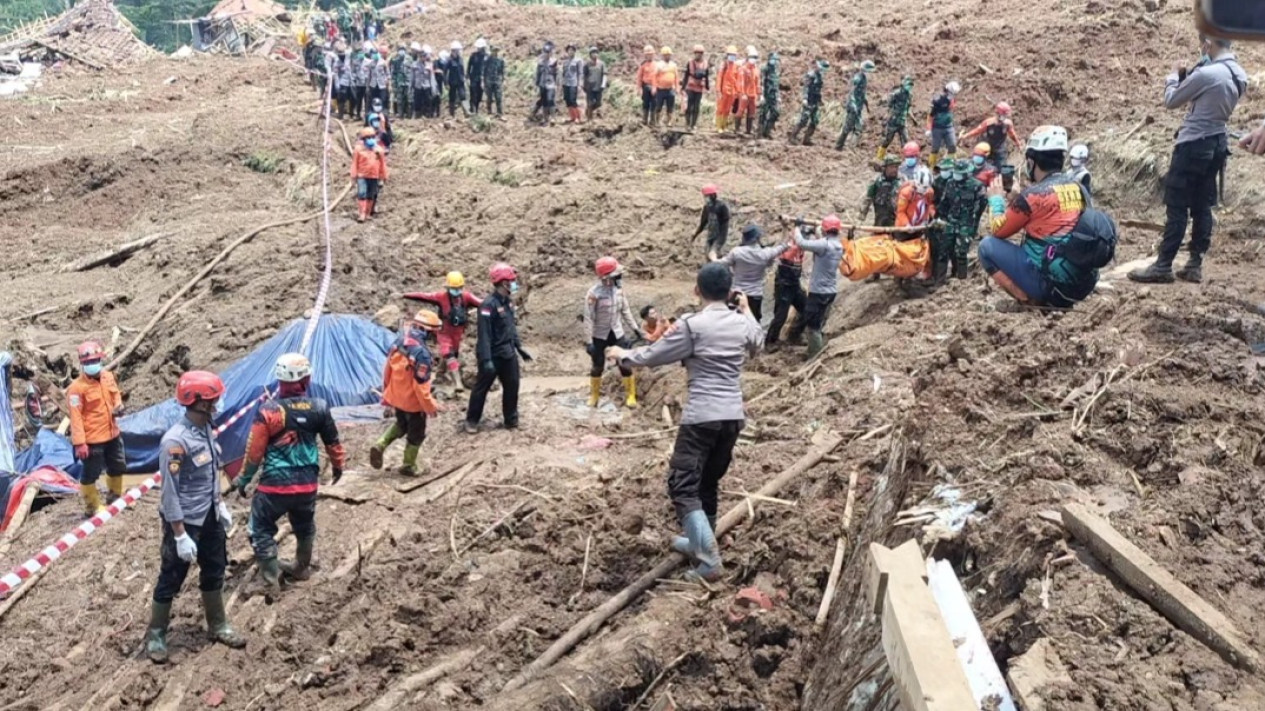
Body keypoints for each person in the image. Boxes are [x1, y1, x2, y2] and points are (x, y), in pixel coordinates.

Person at [605, 263, 763, 582]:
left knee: (682, 484)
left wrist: (623, 355)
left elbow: (653, 355)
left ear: (696, 291)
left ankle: (708, 561)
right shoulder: (741, 322)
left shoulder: (693, 325)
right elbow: (759, 342)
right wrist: (746, 310)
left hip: (702, 417)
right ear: (731, 291)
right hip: (733, 417)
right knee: (707, 481)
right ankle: (700, 541)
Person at [145, 370, 245, 664]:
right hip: (186, 521)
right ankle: (157, 634)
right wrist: (178, 534)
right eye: (213, 399)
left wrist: (220, 504)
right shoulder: (174, 442)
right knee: (171, 577)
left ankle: (218, 624)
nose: (218, 403)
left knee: (215, 568)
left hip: (210, 515)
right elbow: (170, 493)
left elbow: (210, 472)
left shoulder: (206, 429)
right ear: (199, 403)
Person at [1130, 37, 1245, 284]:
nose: (1203, 47)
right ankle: (1194, 264)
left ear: (1211, 42)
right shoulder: (1238, 74)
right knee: (1203, 205)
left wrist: (1173, 76)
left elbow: (1172, 101)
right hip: (1217, 142)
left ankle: (1162, 266)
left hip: (1193, 144)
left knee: (1177, 205)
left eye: (1205, 42)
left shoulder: (1208, 73)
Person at [233, 354, 345, 589]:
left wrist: (243, 479)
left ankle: (271, 581)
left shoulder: (270, 411)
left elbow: (254, 452)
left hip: (275, 484)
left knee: (260, 528)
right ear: (306, 380)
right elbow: (333, 443)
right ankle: (301, 567)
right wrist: (337, 466)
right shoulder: (320, 407)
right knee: (304, 525)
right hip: (307, 483)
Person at [978, 125, 1098, 309]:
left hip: (1050, 286)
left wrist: (996, 200)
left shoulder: (1034, 196)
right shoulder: (1079, 187)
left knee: (986, 247)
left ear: (1032, 162)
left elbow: (997, 230)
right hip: (1083, 284)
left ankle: (1031, 302)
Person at [372, 311, 444, 475]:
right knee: (416, 434)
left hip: (397, 396)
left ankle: (381, 443)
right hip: (414, 403)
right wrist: (430, 407)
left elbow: (387, 370)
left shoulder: (399, 342)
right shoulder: (422, 354)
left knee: (401, 424)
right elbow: (421, 386)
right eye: (433, 333)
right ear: (426, 330)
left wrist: (387, 395)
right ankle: (408, 465)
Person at [465, 263, 532, 433]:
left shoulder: (508, 303)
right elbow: (484, 335)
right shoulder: (488, 306)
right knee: (481, 388)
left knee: (512, 386)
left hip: (508, 353)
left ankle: (511, 419)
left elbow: (510, 328)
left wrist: (519, 347)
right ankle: (472, 421)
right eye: (512, 280)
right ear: (504, 283)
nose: (515, 283)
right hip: (492, 355)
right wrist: (486, 359)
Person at [67, 340, 125, 515]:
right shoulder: (76, 389)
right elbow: (75, 417)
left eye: (95, 361)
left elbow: (116, 395)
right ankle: (92, 507)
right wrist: (80, 443)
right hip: (93, 440)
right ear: (82, 364)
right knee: (90, 473)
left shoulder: (108, 376)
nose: (92, 365)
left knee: (118, 466)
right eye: (88, 363)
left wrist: (119, 406)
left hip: (112, 433)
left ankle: (115, 497)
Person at [403, 272, 483, 391]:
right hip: (444, 331)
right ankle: (458, 384)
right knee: (448, 353)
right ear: (448, 288)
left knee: (453, 354)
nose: (456, 291)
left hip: (458, 332)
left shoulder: (466, 297)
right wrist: (405, 295)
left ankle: (440, 375)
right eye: (454, 288)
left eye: (458, 288)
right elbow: (424, 296)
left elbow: (483, 303)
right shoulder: (441, 297)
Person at [584, 257, 644, 409]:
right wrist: (589, 342)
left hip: (617, 333)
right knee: (597, 366)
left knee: (624, 363)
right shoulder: (593, 294)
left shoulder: (619, 291)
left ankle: (630, 395)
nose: (620, 277)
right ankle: (594, 396)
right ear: (607, 277)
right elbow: (588, 318)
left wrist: (636, 329)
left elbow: (626, 311)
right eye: (617, 275)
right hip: (599, 334)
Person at [789, 215, 844, 358]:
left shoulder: (824, 245)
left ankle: (815, 355)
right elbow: (822, 239)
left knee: (812, 326)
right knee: (819, 323)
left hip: (818, 291)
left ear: (826, 231)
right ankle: (815, 349)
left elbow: (801, 243)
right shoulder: (838, 245)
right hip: (831, 291)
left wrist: (797, 227)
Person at [716, 224, 787, 322]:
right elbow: (782, 247)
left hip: (737, 294)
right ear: (757, 238)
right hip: (755, 295)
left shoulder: (736, 252)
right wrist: (785, 228)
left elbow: (722, 263)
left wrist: (712, 256)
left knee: (732, 323)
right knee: (753, 323)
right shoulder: (765, 253)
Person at [932, 159, 986, 282]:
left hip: (966, 224)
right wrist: (939, 217)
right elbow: (944, 203)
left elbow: (981, 205)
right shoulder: (950, 183)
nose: (957, 175)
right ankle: (939, 281)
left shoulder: (976, 186)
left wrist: (973, 225)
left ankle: (960, 280)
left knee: (961, 253)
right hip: (950, 221)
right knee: (943, 250)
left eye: (959, 173)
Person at [765, 229, 806, 348]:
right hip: (783, 285)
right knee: (780, 315)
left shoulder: (801, 246)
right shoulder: (789, 247)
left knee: (806, 309)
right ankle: (770, 341)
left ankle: (794, 335)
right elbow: (788, 252)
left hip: (794, 284)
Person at [961, 102, 1021, 170]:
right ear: (998, 113)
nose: (1005, 117)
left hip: (1000, 150)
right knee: (982, 167)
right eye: (1003, 115)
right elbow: (977, 131)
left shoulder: (1008, 124)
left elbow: (1012, 134)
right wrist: (966, 136)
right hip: (988, 148)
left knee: (1001, 169)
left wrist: (1018, 143)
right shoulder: (989, 123)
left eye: (1006, 115)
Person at [351, 126, 387, 222]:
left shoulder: (379, 150)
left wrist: (383, 176)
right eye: (368, 137)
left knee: (371, 195)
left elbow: (383, 164)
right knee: (362, 194)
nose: (370, 139)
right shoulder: (358, 150)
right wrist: (353, 177)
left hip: (374, 176)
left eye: (372, 137)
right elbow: (354, 164)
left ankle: (367, 213)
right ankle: (362, 213)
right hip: (362, 176)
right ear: (363, 139)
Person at [835, 59, 873, 150]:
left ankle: (851, 147)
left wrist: (866, 104)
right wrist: (853, 105)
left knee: (859, 128)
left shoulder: (864, 78)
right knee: (847, 127)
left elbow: (862, 93)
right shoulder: (857, 78)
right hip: (853, 107)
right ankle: (838, 146)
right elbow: (851, 93)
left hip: (858, 107)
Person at [789, 59, 827, 145]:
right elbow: (806, 87)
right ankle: (793, 137)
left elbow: (818, 90)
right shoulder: (810, 75)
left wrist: (820, 100)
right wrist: (805, 98)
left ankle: (807, 139)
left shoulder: (820, 75)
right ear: (817, 66)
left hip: (815, 101)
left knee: (815, 120)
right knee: (803, 120)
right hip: (809, 101)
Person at [878, 75, 914, 161]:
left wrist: (913, 119)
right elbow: (889, 106)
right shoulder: (896, 94)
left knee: (906, 142)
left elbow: (908, 108)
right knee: (887, 140)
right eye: (908, 84)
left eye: (911, 85)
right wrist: (887, 117)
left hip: (902, 122)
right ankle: (879, 157)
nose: (909, 87)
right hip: (893, 121)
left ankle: (906, 160)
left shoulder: (909, 95)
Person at [692, 184, 732, 258]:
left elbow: (725, 223)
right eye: (705, 196)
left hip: (720, 235)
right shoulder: (707, 208)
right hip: (711, 236)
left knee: (713, 253)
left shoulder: (722, 206)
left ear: (713, 195)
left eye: (707, 196)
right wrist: (695, 235)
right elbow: (703, 223)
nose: (706, 198)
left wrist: (720, 239)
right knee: (707, 254)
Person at [861, 156, 902, 227]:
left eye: (896, 167)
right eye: (891, 167)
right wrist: (862, 216)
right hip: (880, 217)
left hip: (897, 218)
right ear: (885, 168)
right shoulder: (877, 181)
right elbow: (868, 198)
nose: (894, 169)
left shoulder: (902, 181)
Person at [927, 80, 960, 156]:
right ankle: (933, 164)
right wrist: (929, 129)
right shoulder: (938, 101)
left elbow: (951, 109)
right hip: (937, 127)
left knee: (952, 146)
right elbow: (930, 116)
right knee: (935, 148)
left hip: (948, 126)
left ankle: (951, 162)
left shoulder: (952, 99)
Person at [682, 44, 709, 131]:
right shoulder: (690, 63)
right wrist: (683, 87)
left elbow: (707, 76)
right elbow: (686, 75)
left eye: (700, 53)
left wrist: (707, 86)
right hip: (690, 87)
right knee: (689, 106)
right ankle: (687, 123)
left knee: (696, 107)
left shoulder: (705, 63)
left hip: (699, 88)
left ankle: (693, 124)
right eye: (697, 53)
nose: (698, 55)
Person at [532, 42, 559, 125]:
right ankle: (545, 118)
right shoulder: (540, 63)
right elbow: (538, 74)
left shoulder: (554, 62)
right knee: (544, 101)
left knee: (550, 100)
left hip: (551, 83)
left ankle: (553, 118)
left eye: (548, 52)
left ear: (551, 53)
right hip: (542, 84)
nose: (546, 54)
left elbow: (557, 74)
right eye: (545, 52)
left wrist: (557, 84)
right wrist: (536, 84)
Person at [716, 46, 741, 133]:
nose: (732, 57)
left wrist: (737, 91)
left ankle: (724, 126)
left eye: (734, 55)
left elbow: (737, 79)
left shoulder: (736, 66)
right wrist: (718, 90)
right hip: (723, 91)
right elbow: (719, 78)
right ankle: (719, 126)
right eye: (731, 55)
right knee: (721, 109)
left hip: (732, 92)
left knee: (727, 109)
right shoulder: (724, 66)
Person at [736, 47, 760, 135]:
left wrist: (759, 94)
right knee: (740, 110)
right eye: (752, 57)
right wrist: (742, 93)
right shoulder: (743, 69)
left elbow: (757, 82)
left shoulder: (756, 69)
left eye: (755, 57)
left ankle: (748, 130)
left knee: (752, 112)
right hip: (745, 94)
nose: (754, 59)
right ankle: (737, 128)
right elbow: (740, 82)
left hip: (752, 94)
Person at [653, 46, 679, 126]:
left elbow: (676, 77)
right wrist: (654, 87)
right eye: (665, 55)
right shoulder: (659, 65)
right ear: (662, 56)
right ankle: (657, 121)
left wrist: (677, 87)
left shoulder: (673, 65)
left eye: (669, 55)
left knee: (670, 107)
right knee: (658, 106)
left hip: (670, 89)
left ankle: (669, 121)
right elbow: (654, 76)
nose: (667, 56)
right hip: (660, 89)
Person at [758, 52, 780, 139]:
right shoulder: (765, 69)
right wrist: (761, 95)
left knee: (776, 112)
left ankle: (767, 131)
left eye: (776, 60)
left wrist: (778, 96)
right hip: (766, 95)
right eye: (774, 60)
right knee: (763, 113)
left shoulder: (775, 70)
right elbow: (761, 83)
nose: (775, 62)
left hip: (773, 96)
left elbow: (776, 85)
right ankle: (759, 133)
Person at [560, 45, 584, 124]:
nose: (570, 52)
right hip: (566, 83)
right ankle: (572, 117)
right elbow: (563, 73)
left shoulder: (578, 61)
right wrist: (561, 83)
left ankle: (578, 117)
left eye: (572, 50)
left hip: (574, 83)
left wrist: (580, 83)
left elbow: (580, 73)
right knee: (567, 101)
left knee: (573, 100)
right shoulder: (565, 62)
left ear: (574, 51)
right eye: (569, 50)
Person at [411, 45, 436, 119]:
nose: (423, 58)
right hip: (418, 86)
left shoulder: (429, 65)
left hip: (426, 86)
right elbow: (412, 77)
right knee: (417, 102)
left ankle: (427, 116)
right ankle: (417, 116)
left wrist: (433, 88)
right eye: (421, 56)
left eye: (424, 56)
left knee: (428, 101)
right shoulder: (414, 65)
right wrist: (411, 87)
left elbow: (431, 77)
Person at [583, 47, 606, 121]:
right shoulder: (587, 64)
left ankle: (588, 111)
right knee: (590, 103)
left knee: (598, 103)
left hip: (599, 86)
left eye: (596, 53)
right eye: (593, 53)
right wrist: (584, 85)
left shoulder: (601, 64)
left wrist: (603, 84)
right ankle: (589, 119)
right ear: (590, 55)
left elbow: (605, 74)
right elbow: (584, 75)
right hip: (590, 87)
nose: (595, 54)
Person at [390, 44, 412, 118]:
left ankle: (409, 115)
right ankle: (400, 115)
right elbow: (393, 73)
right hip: (399, 82)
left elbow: (412, 71)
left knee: (409, 99)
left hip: (408, 82)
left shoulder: (409, 59)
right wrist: (393, 84)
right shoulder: (395, 60)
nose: (401, 51)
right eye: (400, 49)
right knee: (400, 100)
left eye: (403, 49)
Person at [637, 44, 657, 126]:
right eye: (648, 55)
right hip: (645, 86)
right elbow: (639, 78)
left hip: (654, 87)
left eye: (651, 54)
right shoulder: (643, 65)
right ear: (645, 55)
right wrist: (639, 89)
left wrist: (655, 87)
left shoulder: (657, 64)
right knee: (645, 103)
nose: (649, 56)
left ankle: (653, 121)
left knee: (654, 104)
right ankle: (644, 120)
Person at [468, 38, 488, 116]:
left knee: (480, 94)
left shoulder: (486, 56)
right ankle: (472, 109)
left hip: (482, 78)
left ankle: (477, 109)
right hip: (474, 77)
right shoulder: (473, 56)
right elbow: (469, 67)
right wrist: (468, 77)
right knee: (473, 93)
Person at [446, 40, 467, 117]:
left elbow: (462, 70)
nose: (458, 52)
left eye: (458, 50)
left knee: (463, 96)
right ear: (453, 51)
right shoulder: (449, 60)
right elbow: (445, 72)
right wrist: (446, 83)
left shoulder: (460, 59)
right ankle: (451, 114)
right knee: (452, 98)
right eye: (456, 51)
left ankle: (466, 112)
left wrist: (464, 77)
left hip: (460, 81)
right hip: (452, 82)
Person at [484, 45, 506, 118]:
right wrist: (483, 81)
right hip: (489, 81)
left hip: (497, 81)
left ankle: (499, 113)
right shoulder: (487, 60)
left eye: (496, 50)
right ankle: (489, 112)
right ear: (491, 51)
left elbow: (502, 71)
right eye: (494, 50)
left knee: (498, 97)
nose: (495, 52)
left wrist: (503, 79)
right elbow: (483, 71)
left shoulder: (500, 60)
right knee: (489, 98)